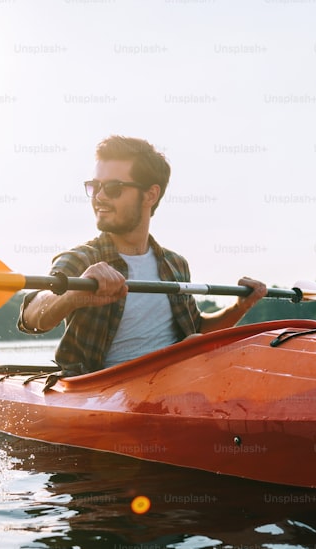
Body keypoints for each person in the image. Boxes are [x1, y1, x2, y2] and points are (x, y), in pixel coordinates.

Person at [17, 135, 267, 375]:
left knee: (197, 340)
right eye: (95, 186)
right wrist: (71, 295)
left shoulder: (175, 264)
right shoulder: (81, 259)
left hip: (177, 385)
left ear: (150, 194)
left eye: (113, 188)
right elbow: (31, 317)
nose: (100, 196)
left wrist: (239, 306)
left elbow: (198, 328)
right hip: (104, 394)